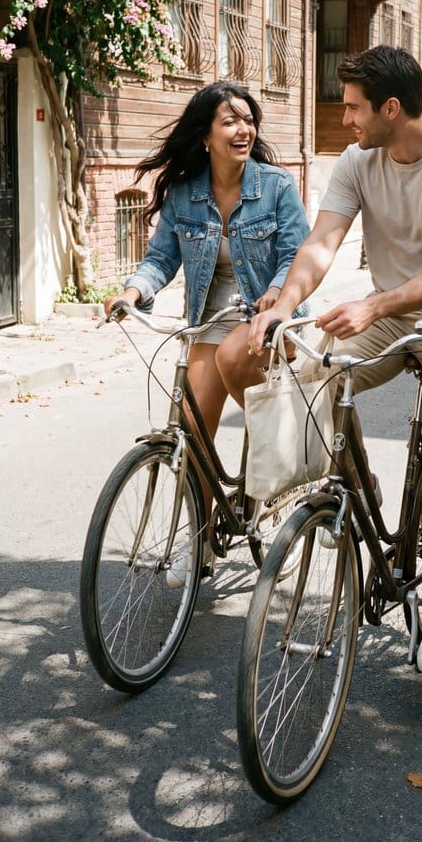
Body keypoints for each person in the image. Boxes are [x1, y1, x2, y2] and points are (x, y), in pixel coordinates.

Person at [248, 45, 422, 678]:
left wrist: (373, 304)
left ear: (391, 108)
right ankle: (353, 483)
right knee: (312, 372)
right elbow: (322, 242)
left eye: (354, 108)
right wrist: (285, 303)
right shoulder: (357, 162)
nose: (345, 119)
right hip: (389, 318)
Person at [105, 82, 310, 566]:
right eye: (229, 121)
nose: (243, 130)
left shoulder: (277, 186)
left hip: (269, 317)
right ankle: (197, 540)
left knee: (239, 365)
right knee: (192, 430)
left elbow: (295, 256)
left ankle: (284, 472)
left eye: (248, 120)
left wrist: (276, 295)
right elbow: (161, 258)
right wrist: (132, 293)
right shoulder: (185, 193)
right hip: (211, 318)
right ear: (205, 136)